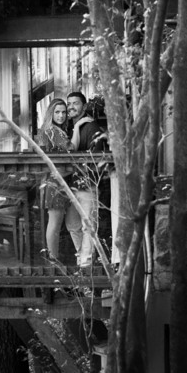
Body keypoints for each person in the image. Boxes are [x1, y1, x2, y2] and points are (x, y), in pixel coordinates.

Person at [67, 91, 108, 269]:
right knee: (72, 224)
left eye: (75, 103)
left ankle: (86, 266)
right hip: (72, 184)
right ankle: (83, 258)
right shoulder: (72, 126)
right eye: (69, 104)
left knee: (87, 226)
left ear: (84, 106)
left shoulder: (91, 127)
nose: (71, 107)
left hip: (87, 185)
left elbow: (96, 158)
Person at [37, 98, 82, 261]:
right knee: (55, 223)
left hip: (61, 180)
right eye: (57, 112)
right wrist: (77, 127)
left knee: (70, 223)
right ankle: (53, 261)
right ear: (51, 113)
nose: (61, 116)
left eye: (64, 112)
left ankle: (80, 257)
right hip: (57, 182)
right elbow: (71, 149)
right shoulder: (52, 131)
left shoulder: (51, 130)